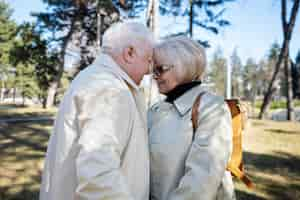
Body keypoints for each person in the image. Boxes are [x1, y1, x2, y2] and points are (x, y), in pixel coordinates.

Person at [39, 22, 154, 200]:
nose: (149, 70)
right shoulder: (108, 89)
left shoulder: (95, 78)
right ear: (130, 53)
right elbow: (98, 176)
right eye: (148, 60)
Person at [148, 36, 235, 200]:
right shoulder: (155, 110)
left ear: (183, 67)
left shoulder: (211, 107)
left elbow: (203, 179)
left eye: (160, 69)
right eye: (153, 70)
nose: (155, 76)